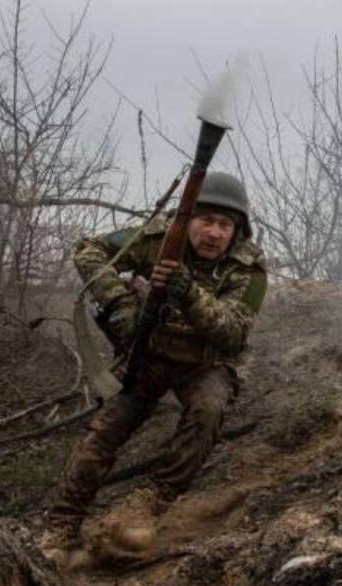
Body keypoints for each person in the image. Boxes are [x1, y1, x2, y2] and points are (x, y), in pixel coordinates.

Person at [45, 172, 268, 553]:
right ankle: (62, 525)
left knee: (209, 410)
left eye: (225, 225)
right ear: (188, 218)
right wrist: (118, 300)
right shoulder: (158, 239)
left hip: (205, 362)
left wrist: (188, 294)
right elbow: (89, 249)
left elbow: (233, 333)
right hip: (147, 355)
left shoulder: (248, 269)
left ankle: (153, 500)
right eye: (206, 220)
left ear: (237, 230)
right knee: (103, 434)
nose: (214, 233)